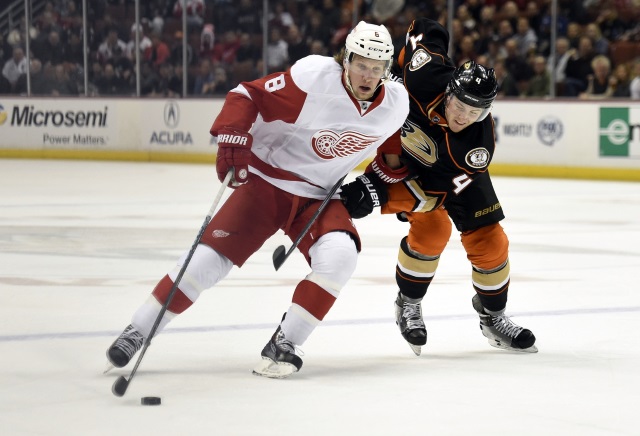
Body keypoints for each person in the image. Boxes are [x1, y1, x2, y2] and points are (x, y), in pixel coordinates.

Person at [106, 21, 409, 378]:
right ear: (346, 59)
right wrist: (232, 136)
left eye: (376, 68)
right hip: (267, 181)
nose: (368, 75)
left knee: (340, 257)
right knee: (207, 262)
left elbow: (390, 153)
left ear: (386, 69)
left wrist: (383, 185)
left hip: (318, 197)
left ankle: (285, 343)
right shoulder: (313, 79)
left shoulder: (394, 103)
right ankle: (139, 330)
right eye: (361, 64)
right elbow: (246, 94)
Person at [340, 18, 537, 356]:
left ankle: (493, 317)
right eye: (460, 105)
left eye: (475, 112)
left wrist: (378, 197)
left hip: (449, 179)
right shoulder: (425, 74)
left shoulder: (477, 147)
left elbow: (436, 194)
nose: (463, 117)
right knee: (432, 233)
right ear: (449, 92)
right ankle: (409, 303)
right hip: (406, 157)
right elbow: (426, 29)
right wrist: (398, 67)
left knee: (490, 241)